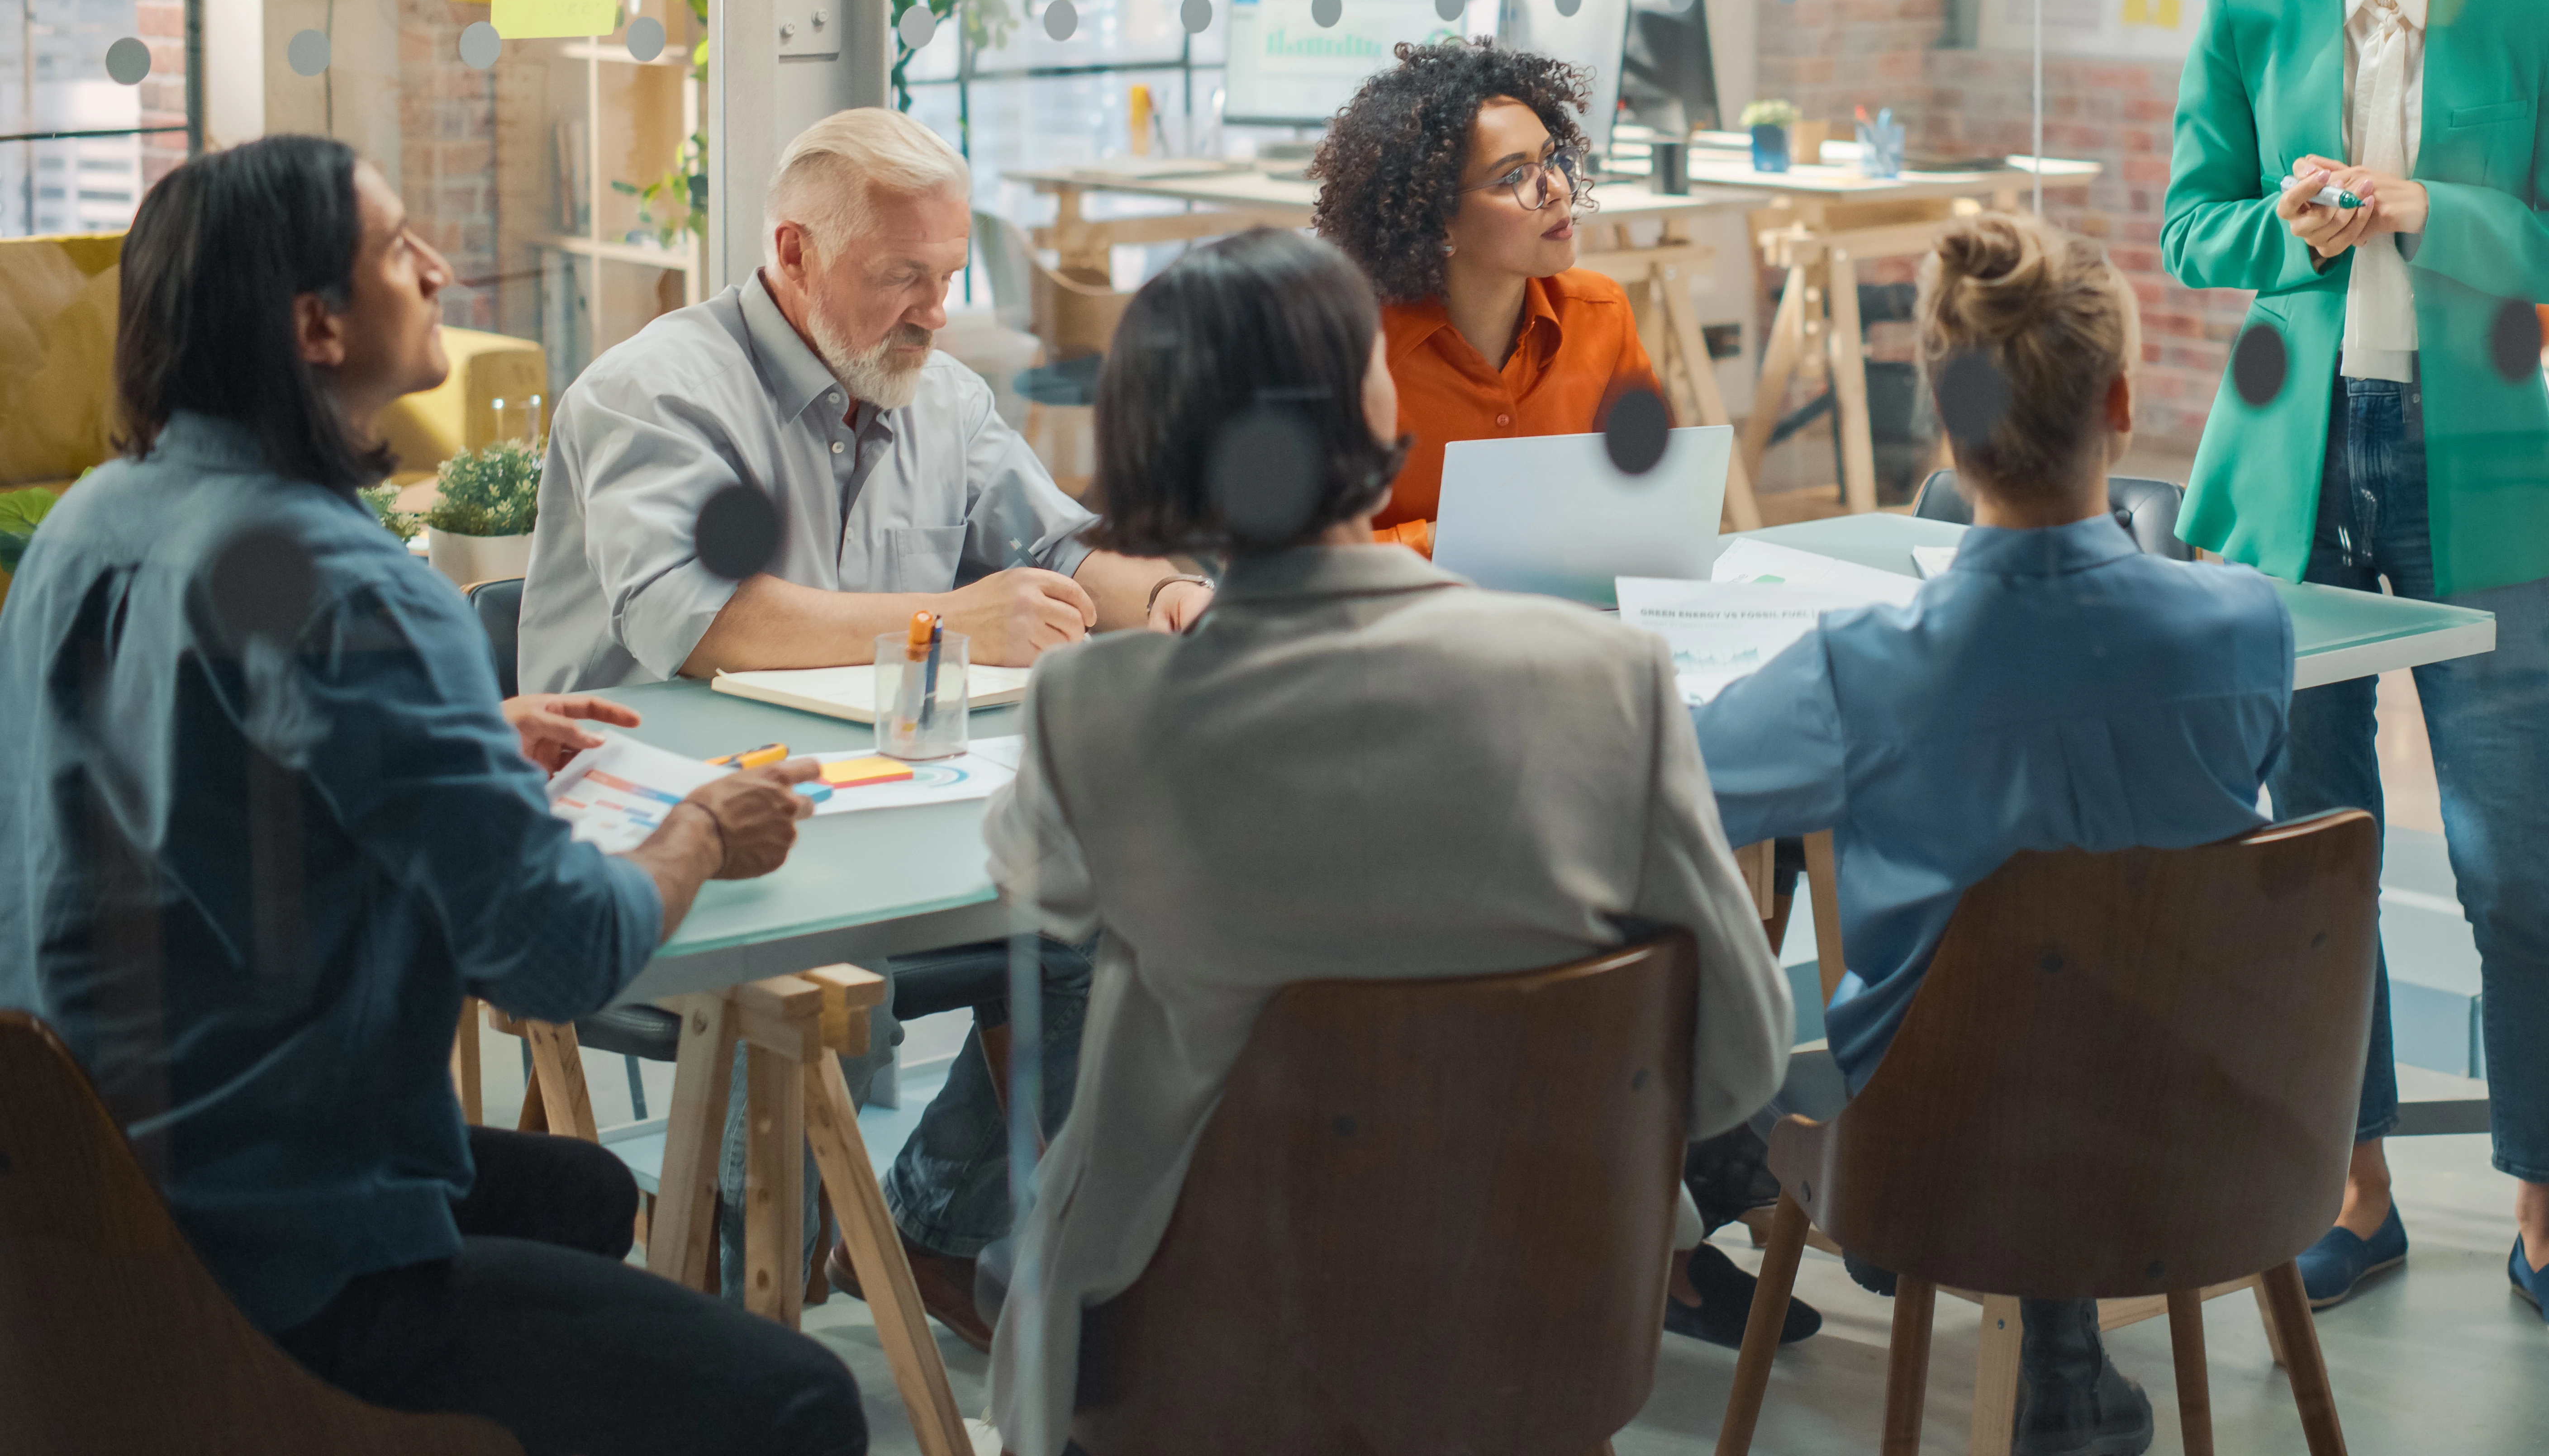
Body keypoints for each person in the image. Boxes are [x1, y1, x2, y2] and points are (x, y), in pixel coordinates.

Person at [0, 136, 856, 1456]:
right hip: (279, 1251)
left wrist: (461, 733)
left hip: (85, 1206)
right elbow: (560, 958)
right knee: (801, 1402)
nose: (442, 267)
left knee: (574, 1192)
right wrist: (699, 832)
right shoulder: (355, 589)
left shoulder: (89, 525)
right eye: (402, 248)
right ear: (315, 324)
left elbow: (189, 754)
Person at [980, 228, 1792, 1456]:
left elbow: (1037, 884)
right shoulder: (1607, 681)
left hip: (1207, 1346)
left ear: (1145, 441)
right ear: (1375, 398)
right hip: (1546, 1313)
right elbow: (1738, 1064)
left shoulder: (1095, 712)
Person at [519, 105, 1192, 1345]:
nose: (937, 312)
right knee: (797, 968)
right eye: (903, 280)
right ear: (794, 253)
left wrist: (1163, 595)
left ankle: (938, 1228)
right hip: (657, 832)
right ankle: (717, 1326)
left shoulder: (940, 395)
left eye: (949, 276)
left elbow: (1057, 548)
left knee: (1124, 920)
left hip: (883, 803)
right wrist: (952, 617)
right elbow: (697, 614)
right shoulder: (654, 392)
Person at [2161, 0, 2549, 1351]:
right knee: (2317, 858)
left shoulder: (2539, 10)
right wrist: (2286, 227)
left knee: (2515, 857)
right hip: (2289, 476)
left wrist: (2439, 211)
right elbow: (2187, 227)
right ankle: (2353, 1192)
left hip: (2478, 465)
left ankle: (2547, 1213)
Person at [1695, 211, 2296, 1456]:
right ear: (2122, 400)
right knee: (2075, 991)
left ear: (1944, 420)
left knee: (1690, 973)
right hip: (2202, 1130)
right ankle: (2063, 1357)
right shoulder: (2247, 627)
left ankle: (1707, 1189)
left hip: (1928, 1157)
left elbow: (1672, 794)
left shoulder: (1866, 671)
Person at [1307, 38, 1660, 555]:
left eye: (1551, 160)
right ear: (1436, 219)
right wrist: (1445, 541)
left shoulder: (1600, 314)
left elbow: (1651, 496)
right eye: (1516, 176)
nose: (1558, 189)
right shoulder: (1351, 354)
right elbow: (1298, 562)